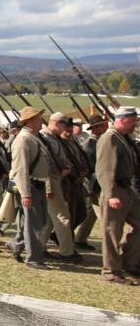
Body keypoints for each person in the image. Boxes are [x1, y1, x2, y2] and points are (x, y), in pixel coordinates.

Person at [96, 106, 140, 285]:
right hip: (115, 191)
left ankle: (129, 261)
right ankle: (111, 271)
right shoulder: (109, 138)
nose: (135, 124)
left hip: (127, 190)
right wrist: (111, 194)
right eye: (133, 121)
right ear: (122, 119)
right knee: (112, 232)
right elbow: (104, 169)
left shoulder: (123, 138)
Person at [6, 106, 50, 269]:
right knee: (34, 225)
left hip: (37, 185)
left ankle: (16, 245)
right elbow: (21, 169)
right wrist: (26, 193)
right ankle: (33, 258)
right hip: (30, 186)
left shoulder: (32, 137)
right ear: (30, 121)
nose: (41, 121)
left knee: (36, 222)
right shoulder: (24, 139)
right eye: (38, 118)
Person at [39, 112, 81, 263]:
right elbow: (45, 166)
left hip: (58, 181)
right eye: (64, 125)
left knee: (51, 219)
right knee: (63, 217)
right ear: (56, 123)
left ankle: (39, 247)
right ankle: (66, 252)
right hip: (51, 182)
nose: (66, 128)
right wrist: (49, 187)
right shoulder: (44, 138)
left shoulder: (53, 138)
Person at [74, 113, 108, 250]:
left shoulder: (100, 142)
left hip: (97, 183)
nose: (103, 128)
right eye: (100, 126)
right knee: (103, 218)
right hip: (93, 184)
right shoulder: (89, 144)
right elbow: (90, 167)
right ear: (95, 128)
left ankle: (80, 239)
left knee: (90, 214)